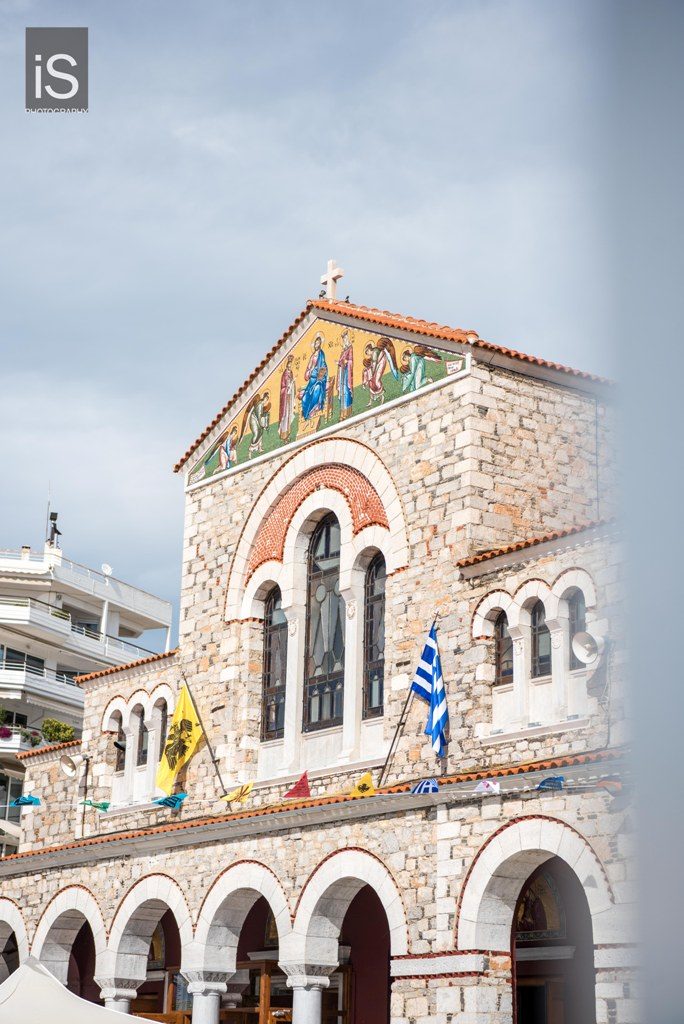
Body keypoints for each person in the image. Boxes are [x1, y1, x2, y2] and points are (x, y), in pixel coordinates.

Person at [300, 334, 328, 421]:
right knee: (305, 398)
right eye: (315, 343)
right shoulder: (312, 356)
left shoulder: (321, 354)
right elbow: (308, 368)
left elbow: (323, 366)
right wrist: (309, 372)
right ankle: (306, 414)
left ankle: (314, 409)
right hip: (311, 381)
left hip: (319, 380)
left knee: (317, 389)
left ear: (320, 344)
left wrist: (320, 375)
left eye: (318, 343)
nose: (316, 345)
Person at [337, 330, 354, 420]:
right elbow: (340, 362)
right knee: (342, 392)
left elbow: (351, 360)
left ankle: (347, 412)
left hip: (347, 373)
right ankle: (342, 413)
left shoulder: (350, 348)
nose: (345, 341)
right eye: (344, 339)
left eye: (346, 338)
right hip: (342, 373)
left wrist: (346, 362)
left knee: (346, 391)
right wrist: (339, 363)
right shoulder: (342, 352)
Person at [278, 355, 296, 441]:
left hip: (289, 397)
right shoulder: (284, 375)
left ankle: (288, 432)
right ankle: (283, 435)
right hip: (285, 398)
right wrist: (288, 386)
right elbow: (283, 387)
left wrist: (292, 384)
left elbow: (292, 384)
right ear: (286, 366)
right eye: (289, 366)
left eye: (291, 366)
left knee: (289, 415)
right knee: (285, 416)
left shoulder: (291, 373)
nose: (290, 367)